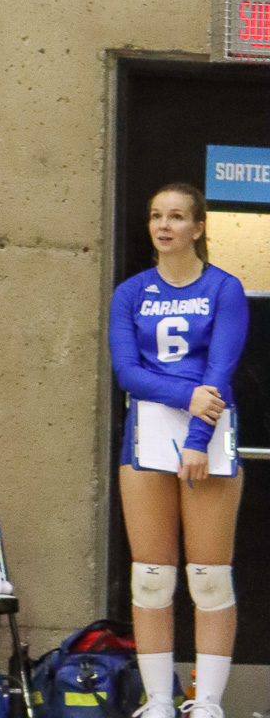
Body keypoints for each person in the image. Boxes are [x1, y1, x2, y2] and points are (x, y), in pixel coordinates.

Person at [109, 183, 248, 718]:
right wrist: (182, 396)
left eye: (177, 216)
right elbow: (127, 372)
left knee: (209, 577)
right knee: (151, 575)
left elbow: (220, 371)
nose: (164, 226)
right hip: (146, 429)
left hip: (210, 430)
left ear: (199, 226)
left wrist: (196, 439)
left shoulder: (224, 288)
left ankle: (207, 702)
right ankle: (161, 701)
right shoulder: (131, 292)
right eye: (155, 216)